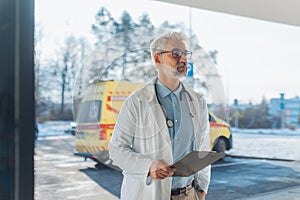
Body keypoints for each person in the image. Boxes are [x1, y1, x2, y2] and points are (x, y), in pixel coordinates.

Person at [109, 31, 211, 200]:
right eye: (176, 54)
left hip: (190, 194)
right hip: (149, 194)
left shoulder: (198, 102)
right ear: (157, 59)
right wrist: (148, 166)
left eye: (185, 54)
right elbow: (117, 150)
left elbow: (203, 149)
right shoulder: (137, 102)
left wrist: (201, 189)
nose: (183, 59)